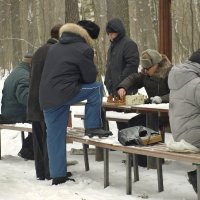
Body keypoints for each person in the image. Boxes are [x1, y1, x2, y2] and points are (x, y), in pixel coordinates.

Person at [39, 21, 112, 185]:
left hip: (46, 96)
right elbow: (89, 78)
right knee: (96, 88)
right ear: (87, 37)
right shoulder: (83, 49)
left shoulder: (54, 47)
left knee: (55, 137)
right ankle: (92, 126)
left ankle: (58, 175)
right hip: (64, 94)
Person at [27, 24, 62, 180]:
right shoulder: (56, 51)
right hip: (47, 100)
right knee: (49, 137)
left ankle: (41, 172)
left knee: (39, 138)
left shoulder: (39, 51)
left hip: (33, 100)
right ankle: (50, 172)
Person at [168, 49, 200, 193]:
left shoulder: (180, 79)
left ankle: (195, 176)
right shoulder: (196, 84)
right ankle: (196, 177)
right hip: (194, 137)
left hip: (180, 135)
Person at [105, 18, 143, 131]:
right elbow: (110, 67)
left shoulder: (129, 44)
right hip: (114, 90)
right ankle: (124, 144)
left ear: (119, 31)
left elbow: (132, 66)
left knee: (129, 123)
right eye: (109, 34)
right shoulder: (112, 47)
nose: (111, 36)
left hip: (127, 90)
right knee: (120, 124)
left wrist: (122, 84)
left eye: (113, 33)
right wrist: (108, 83)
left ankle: (131, 146)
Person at [1, 53, 34, 160]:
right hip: (17, 115)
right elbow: (25, 98)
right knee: (43, 121)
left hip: (9, 112)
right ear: (32, 64)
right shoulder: (25, 75)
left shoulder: (16, 72)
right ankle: (28, 151)